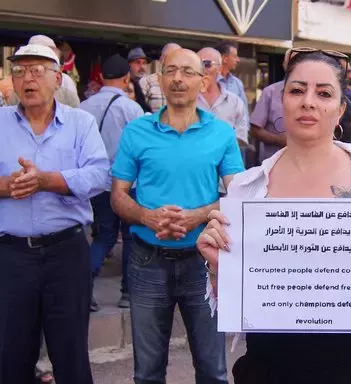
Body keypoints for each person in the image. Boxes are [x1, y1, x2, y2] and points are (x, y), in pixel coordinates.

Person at [197, 49, 351, 384]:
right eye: (297, 90)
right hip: (273, 367)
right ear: (281, 101)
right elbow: (238, 302)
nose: (308, 101)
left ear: (341, 110)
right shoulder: (247, 189)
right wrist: (218, 266)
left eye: (323, 93)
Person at [111, 48, 244, 384]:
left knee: (213, 371)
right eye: (171, 71)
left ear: (203, 81)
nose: (179, 79)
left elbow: (240, 196)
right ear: (159, 80)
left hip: (203, 262)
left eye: (188, 72)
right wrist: (147, 216)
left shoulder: (222, 133)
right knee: (147, 373)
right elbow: (117, 195)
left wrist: (198, 216)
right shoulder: (137, 131)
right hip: (146, 261)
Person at [0, 44, 109, 384]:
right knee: (11, 353)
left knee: (71, 352)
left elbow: (99, 175)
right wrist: (7, 186)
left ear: (58, 78)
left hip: (67, 252)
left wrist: (47, 180)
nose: (26, 78)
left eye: (36, 70)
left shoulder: (81, 123)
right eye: (19, 71)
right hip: (11, 254)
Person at [80, 54, 144, 311]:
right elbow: (142, 147)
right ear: (127, 78)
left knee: (103, 236)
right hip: (127, 184)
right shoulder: (131, 108)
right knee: (130, 239)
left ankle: (84, 288)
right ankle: (128, 294)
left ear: (102, 77)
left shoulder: (84, 107)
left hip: (96, 182)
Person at [197, 47, 249, 147]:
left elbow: (241, 137)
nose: (201, 69)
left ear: (219, 69)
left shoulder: (235, 102)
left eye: (206, 64)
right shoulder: (186, 100)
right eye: (196, 65)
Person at [250, 50, 292, 163]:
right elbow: (255, 129)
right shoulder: (270, 92)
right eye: (292, 61)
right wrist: (281, 140)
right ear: (284, 65)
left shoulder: (313, 97)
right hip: (273, 164)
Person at [139, 43, 181, 112]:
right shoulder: (146, 82)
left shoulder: (185, 83)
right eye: (171, 57)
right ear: (161, 59)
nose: (175, 62)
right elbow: (139, 112)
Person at [214, 41, 248, 112]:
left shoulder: (237, 84)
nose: (238, 60)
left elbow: (244, 112)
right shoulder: (210, 81)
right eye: (235, 56)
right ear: (225, 58)